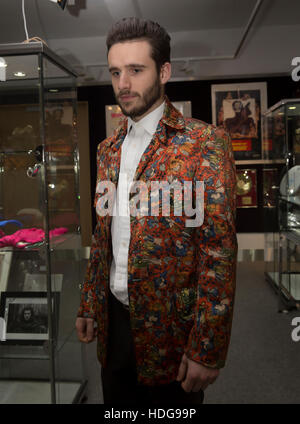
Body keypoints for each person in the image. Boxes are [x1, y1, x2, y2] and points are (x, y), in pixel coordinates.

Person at [76, 17, 237, 405]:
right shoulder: (107, 149)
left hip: (173, 331)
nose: (123, 84)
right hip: (115, 321)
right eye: (115, 72)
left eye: (135, 70)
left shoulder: (204, 144)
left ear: (163, 71)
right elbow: (102, 237)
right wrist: (90, 303)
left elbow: (218, 253)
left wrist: (207, 347)